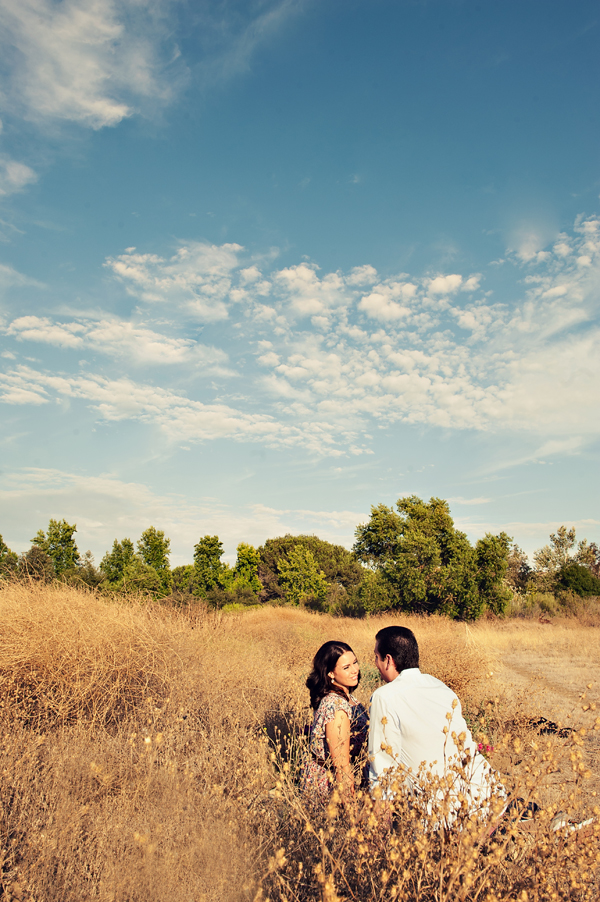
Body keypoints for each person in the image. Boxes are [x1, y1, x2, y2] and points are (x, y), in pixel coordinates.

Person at [368, 626, 501, 824]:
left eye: (376, 657)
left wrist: (377, 836)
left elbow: (383, 770)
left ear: (388, 660)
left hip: (443, 814)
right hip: (489, 799)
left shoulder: (384, 697)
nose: (376, 664)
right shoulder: (441, 687)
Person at [301, 640, 368, 802]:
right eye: (346, 667)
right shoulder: (336, 707)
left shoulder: (346, 697)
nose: (354, 670)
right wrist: (351, 815)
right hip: (330, 785)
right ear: (330, 673)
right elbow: (342, 767)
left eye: (355, 662)